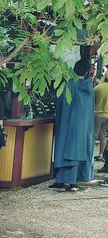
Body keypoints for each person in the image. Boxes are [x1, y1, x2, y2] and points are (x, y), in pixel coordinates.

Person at [49, 60, 95, 191]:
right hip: (81, 127)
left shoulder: (67, 84)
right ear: (87, 72)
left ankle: (61, 180)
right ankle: (73, 182)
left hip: (65, 123)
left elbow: (58, 103)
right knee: (76, 151)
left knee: (63, 150)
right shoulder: (88, 88)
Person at [94, 69, 108, 171]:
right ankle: (101, 154)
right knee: (104, 135)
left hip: (97, 114)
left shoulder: (98, 88)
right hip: (107, 116)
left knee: (94, 135)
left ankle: (90, 154)